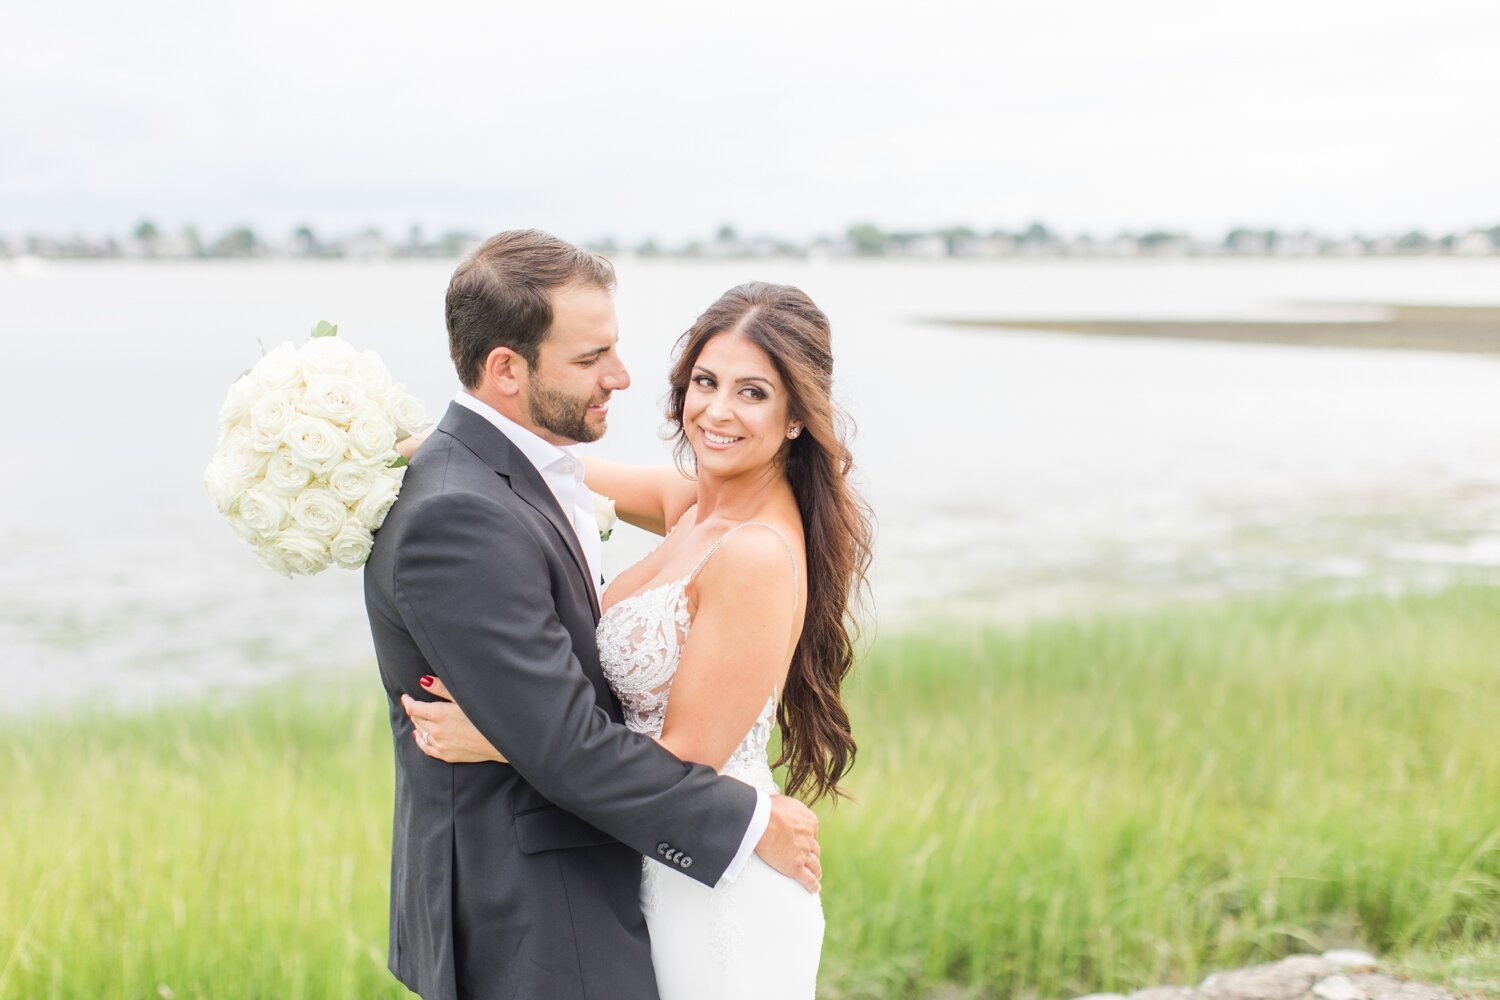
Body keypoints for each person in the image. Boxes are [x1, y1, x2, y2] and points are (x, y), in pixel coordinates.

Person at [364, 230, 825, 1000]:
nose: (715, 411)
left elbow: (682, 760)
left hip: (713, 883)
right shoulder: (690, 503)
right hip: (647, 862)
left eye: (753, 393)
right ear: (506, 368)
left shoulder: (753, 555)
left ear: (796, 418)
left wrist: (510, 740)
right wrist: (432, 446)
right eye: (705, 381)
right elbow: (549, 469)